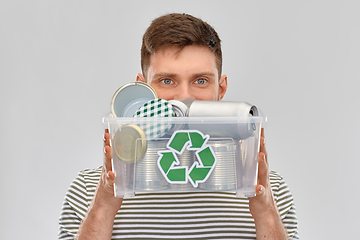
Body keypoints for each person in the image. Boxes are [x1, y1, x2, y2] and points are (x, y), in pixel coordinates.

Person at [59, 13, 299, 239]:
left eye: (201, 80)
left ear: (221, 89)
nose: (184, 97)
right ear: (143, 89)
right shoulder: (88, 189)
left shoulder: (268, 189)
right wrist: (103, 204)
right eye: (167, 80)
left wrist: (265, 209)